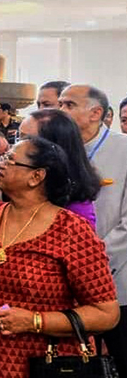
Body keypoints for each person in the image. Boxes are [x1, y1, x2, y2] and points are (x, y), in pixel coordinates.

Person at [0, 137, 119, 378]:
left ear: (37, 176)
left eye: (10, 160)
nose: (0, 164)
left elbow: (107, 314)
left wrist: (35, 321)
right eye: (3, 158)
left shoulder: (71, 230)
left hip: (45, 363)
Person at [59, 84, 127, 375]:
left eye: (68, 105)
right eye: (59, 104)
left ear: (95, 113)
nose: (60, 111)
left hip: (117, 277)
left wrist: (93, 264)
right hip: (63, 279)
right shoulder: (55, 151)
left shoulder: (123, 149)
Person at [18, 109, 101, 227]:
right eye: (18, 138)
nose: (15, 148)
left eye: (25, 140)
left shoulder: (76, 216)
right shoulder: (15, 186)